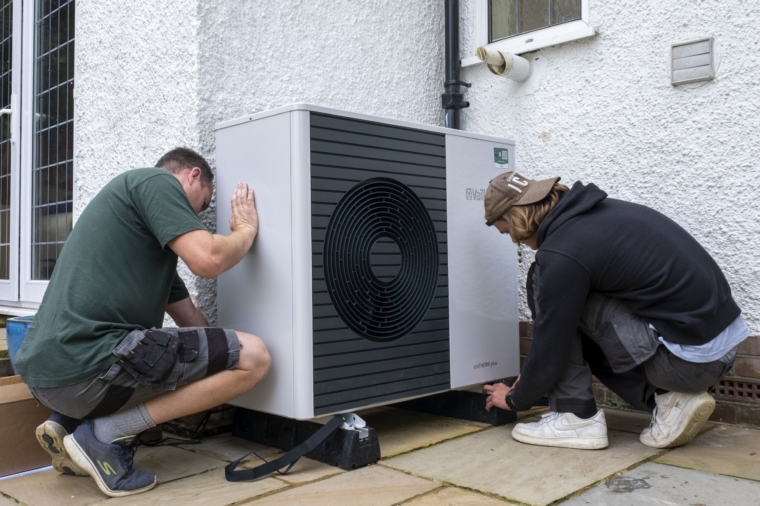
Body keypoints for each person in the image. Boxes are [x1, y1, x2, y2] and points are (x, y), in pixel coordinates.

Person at [14, 148, 271, 497]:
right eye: (204, 203)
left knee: (176, 361)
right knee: (255, 356)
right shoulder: (156, 181)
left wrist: (217, 363)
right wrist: (245, 230)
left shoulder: (147, 245)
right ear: (191, 176)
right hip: (85, 368)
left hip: (50, 375)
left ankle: (67, 423)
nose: (199, 213)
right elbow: (209, 259)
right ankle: (102, 437)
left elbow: (191, 321)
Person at [481, 171, 747, 450]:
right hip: (714, 352)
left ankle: (575, 418)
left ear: (517, 218)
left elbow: (553, 341)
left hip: (687, 364)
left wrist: (517, 398)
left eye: (507, 231)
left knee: (542, 281)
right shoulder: (599, 216)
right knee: (566, 307)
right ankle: (668, 401)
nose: (516, 242)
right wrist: (535, 376)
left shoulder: (563, 252)